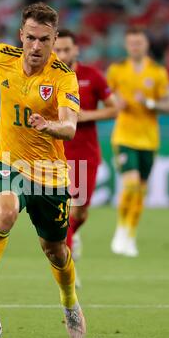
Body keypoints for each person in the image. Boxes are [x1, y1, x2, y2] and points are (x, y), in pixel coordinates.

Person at [0, 3, 86, 338]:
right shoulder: (3, 56)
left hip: (49, 173)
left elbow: (70, 128)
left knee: (55, 250)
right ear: (21, 35)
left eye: (44, 40)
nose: (35, 46)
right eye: (30, 38)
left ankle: (70, 301)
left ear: (54, 38)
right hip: (9, 163)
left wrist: (49, 126)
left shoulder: (62, 76)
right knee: (6, 212)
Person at [54, 29, 118, 287]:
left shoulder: (92, 76)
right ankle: (67, 267)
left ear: (76, 50)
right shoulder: (48, 76)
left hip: (85, 156)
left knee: (80, 212)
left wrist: (85, 116)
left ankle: (73, 236)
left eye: (66, 49)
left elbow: (115, 108)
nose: (61, 54)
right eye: (57, 50)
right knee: (63, 213)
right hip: (56, 156)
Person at [107, 27, 169, 257]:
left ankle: (130, 234)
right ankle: (120, 229)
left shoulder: (157, 72)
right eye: (132, 43)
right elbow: (107, 96)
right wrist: (117, 102)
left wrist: (149, 103)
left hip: (148, 139)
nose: (135, 47)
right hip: (124, 136)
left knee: (141, 191)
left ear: (146, 45)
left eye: (139, 43)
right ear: (127, 46)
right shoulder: (117, 70)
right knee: (131, 184)